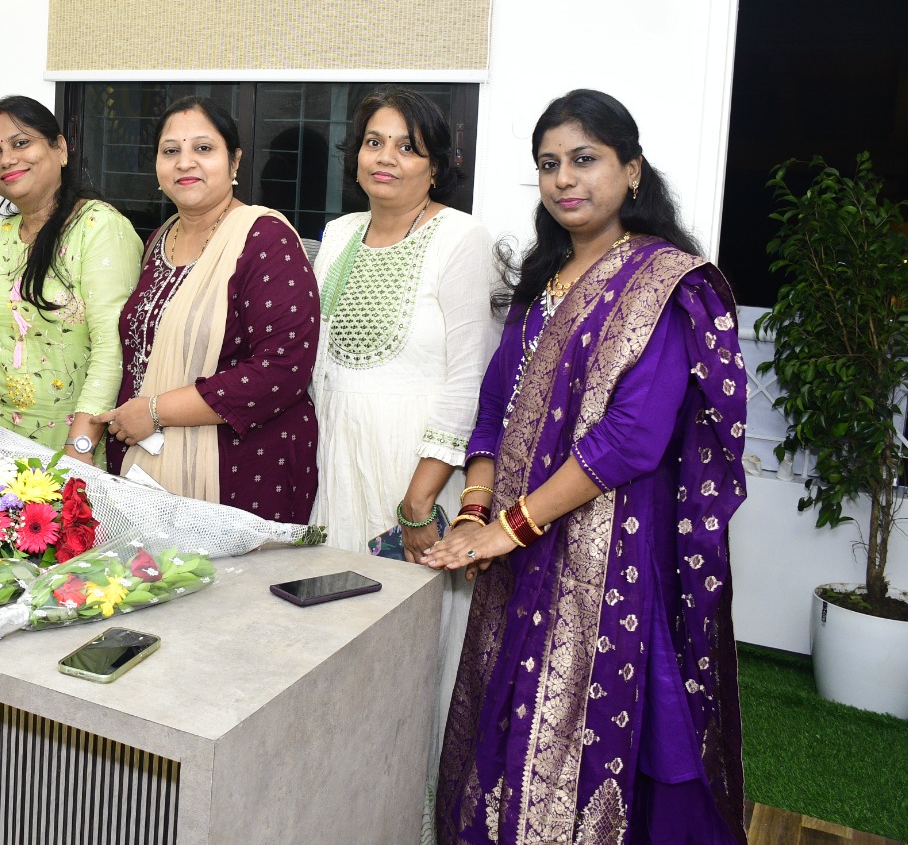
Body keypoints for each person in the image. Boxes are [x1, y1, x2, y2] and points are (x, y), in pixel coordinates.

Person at [423, 90, 748, 844]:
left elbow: (632, 438)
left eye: (585, 159)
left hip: (610, 550)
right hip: (513, 544)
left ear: (632, 171)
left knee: (596, 726)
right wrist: (475, 509)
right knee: (508, 715)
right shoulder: (543, 285)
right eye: (548, 164)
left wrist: (511, 526)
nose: (565, 179)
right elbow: (495, 405)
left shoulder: (663, 284)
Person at [306, 88, 500, 842]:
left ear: (436, 165)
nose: (386, 158)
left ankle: (408, 819)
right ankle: (342, 806)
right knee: (336, 640)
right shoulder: (340, 232)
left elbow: (467, 376)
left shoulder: (462, 237)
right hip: (339, 461)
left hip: (416, 471)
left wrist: (420, 502)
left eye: (407, 146)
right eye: (375, 142)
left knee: (414, 656)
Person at [99, 96, 320, 523]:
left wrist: (155, 411)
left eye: (203, 148)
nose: (185, 162)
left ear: (234, 163)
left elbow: (282, 369)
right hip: (151, 464)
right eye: (171, 151)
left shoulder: (265, 238)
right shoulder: (159, 239)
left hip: (243, 469)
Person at [0, 96, 142, 463]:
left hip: (76, 451)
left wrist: (79, 451)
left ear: (60, 149)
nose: (6, 159)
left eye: (21, 143)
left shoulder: (99, 227)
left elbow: (112, 347)